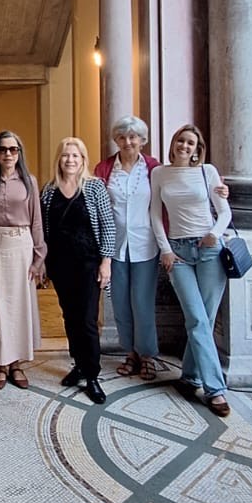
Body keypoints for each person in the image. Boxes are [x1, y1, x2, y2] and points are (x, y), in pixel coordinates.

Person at [150, 124, 232, 417]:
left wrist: (214, 233)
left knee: (204, 319)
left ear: (198, 149)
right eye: (180, 141)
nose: (185, 146)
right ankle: (215, 390)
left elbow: (224, 211)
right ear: (172, 144)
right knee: (196, 317)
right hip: (178, 253)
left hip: (210, 250)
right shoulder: (159, 173)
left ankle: (191, 377)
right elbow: (155, 214)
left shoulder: (207, 172)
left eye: (191, 143)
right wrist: (166, 250)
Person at [40, 137, 115, 405]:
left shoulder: (95, 187)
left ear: (83, 160)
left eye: (75, 156)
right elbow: (44, 231)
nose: (70, 160)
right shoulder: (48, 191)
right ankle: (79, 364)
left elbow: (108, 225)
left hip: (88, 263)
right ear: (58, 159)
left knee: (86, 319)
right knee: (69, 317)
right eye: (65, 155)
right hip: (60, 264)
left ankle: (92, 375)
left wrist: (106, 261)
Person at [0, 130, 46, 390]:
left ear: (19, 153)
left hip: (21, 245)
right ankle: (1, 363)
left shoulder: (29, 181)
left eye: (13, 149)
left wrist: (39, 257)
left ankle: (16, 364)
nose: (8, 154)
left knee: (19, 306)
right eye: (3, 149)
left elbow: (36, 221)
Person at [94, 116, 160, 382]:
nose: (128, 141)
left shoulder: (154, 169)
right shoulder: (105, 168)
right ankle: (130, 352)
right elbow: (96, 206)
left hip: (146, 244)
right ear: (116, 140)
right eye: (122, 137)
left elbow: (172, 196)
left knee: (142, 303)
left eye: (133, 137)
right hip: (114, 247)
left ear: (142, 140)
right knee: (120, 303)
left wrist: (217, 190)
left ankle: (147, 355)